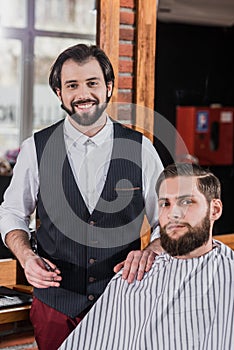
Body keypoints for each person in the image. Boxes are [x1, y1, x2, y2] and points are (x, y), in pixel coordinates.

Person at [0, 44, 164, 349]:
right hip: (55, 307)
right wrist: (25, 256)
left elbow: (167, 221)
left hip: (123, 300)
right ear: (59, 93)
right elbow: (11, 212)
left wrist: (152, 250)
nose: (83, 93)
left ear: (108, 88)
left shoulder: (140, 148)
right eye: (72, 85)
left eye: (92, 83)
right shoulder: (35, 148)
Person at [59, 163, 234, 350]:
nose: (173, 213)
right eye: (165, 204)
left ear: (214, 209)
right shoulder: (131, 278)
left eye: (186, 202)